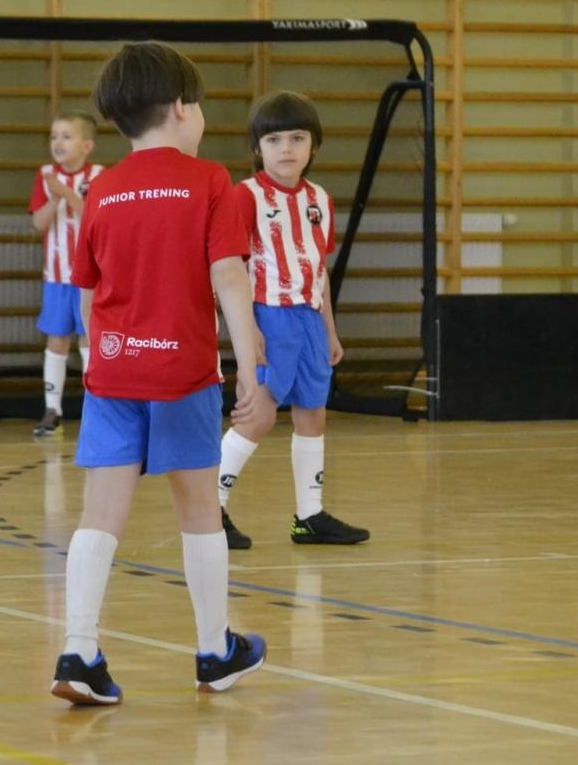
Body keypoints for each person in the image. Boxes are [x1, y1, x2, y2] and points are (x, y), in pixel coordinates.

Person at [50, 41, 267, 707]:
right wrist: (250, 365)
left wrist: (96, 360)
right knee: (199, 510)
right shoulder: (210, 183)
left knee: (99, 515)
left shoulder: (102, 190)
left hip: (114, 376)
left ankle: (79, 651)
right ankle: (212, 651)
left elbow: (88, 293)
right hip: (184, 374)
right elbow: (228, 276)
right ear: (181, 108)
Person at [215, 90, 369, 550]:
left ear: (313, 146)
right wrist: (250, 331)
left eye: (297, 138)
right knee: (257, 415)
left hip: (307, 318)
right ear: (257, 149)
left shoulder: (320, 198)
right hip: (269, 314)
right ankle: (210, 507)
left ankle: (309, 515)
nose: (286, 148)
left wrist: (329, 329)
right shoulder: (246, 197)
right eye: (274, 139)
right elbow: (232, 269)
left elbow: (318, 268)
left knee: (312, 414)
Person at [29, 111, 104, 438]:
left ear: (87, 146)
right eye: (54, 136)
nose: (58, 142)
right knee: (57, 338)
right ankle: (52, 409)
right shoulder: (45, 175)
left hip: (91, 277)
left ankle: (96, 409)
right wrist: (55, 197)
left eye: (66, 136)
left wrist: (67, 193)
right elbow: (38, 223)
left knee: (90, 339)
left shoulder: (100, 176)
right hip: (57, 277)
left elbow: (95, 217)